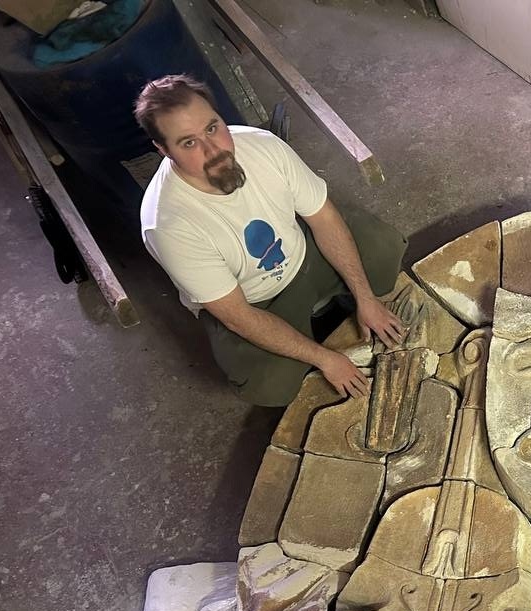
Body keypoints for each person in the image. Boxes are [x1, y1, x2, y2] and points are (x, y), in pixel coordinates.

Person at [134, 74, 406, 405]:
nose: (213, 149)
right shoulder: (168, 224)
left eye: (212, 128)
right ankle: (310, 322)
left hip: (303, 253)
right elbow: (237, 316)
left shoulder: (262, 146)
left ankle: (333, 300)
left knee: (383, 254)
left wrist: (366, 299)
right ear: (163, 150)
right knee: (271, 386)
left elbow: (324, 219)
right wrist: (326, 359)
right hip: (255, 301)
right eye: (189, 143)